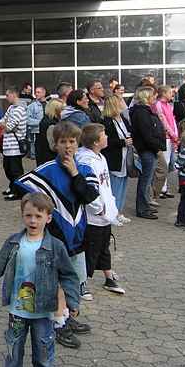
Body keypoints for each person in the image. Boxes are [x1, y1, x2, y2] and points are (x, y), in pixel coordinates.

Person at [0, 193, 80, 367]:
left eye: (38, 216)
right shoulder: (14, 242)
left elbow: (68, 275)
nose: (33, 221)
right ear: (22, 215)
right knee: (13, 352)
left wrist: (72, 301)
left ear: (48, 218)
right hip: (17, 310)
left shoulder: (55, 246)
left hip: (44, 311)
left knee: (43, 353)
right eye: (28, 215)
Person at [15, 121, 99, 348]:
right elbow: (21, 188)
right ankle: (58, 323)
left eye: (72, 142)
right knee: (56, 283)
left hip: (78, 235)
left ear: (78, 143)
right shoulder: (46, 171)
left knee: (75, 279)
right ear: (55, 145)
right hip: (55, 237)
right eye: (63, 142)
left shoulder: (84, 169)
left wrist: (73, 173)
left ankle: (68, 316)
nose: (68, 147)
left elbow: (89, 195)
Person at [76, 124, 126, 295]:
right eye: (104, 134)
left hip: (104, 214)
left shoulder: (100, 157)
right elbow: (88, 189)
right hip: (93, 216)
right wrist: (98, 208)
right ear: (96, 141)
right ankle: (81, 283)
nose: (107, 137)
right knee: (90, 250)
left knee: (104, 246)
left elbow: (106, 186)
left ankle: (108, 277)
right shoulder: (86, 161)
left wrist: (110, 207)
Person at [129, 86, 166, 220]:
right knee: (145, 180)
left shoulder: (144, 111)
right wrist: (157, 147)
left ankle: (145, 205)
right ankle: (142, 208)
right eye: (153, 95)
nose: (155, 97)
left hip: (149, 149)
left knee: (147, 179)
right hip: (147, 150)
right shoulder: (142, 112)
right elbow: (146, 134)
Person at [101, 95, 133, 225]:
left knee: (123, 186)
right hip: (115, 158)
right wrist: (122, 142)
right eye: (120, 102)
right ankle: (111, 214)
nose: (122, 104)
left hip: (125, 157)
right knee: (114, 188)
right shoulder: (107, 122)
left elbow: (130, 131)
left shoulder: (123, 119)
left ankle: (119, 211)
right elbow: (106, 142)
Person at [0, 88, 27, 201]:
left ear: (14, 94)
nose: (6, 97)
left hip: (15, 147)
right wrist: (5, 124)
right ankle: (12, 187)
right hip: (7, 146)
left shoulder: (20, 109)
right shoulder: (11, 108)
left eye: (7, 95)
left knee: (16, 171)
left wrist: (6, 125)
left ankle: (18, 192)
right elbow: (2, 121)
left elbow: (9, 126)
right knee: (8, 169)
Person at [152, 86, 178, 200]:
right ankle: (160, 188)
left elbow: (172, 121)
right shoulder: (158, 104)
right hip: (165, 137)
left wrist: (175, 134)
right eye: (170, 92)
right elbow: (163, 121)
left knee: (168, 163)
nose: (171, 95)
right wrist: (172, 134)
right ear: (163, 93)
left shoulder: (168, 105)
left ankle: (164, 187)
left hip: (171, 137)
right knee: (164, 163)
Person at [35, 99, 63, 166]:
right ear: (56, 110)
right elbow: (53, 146)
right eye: (62, 109)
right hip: (50, 159)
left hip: (43, 158)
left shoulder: (45, 120)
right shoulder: (52, 125)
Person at [26, 86, 47, 160]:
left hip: (47, 131)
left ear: (44, 93)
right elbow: (27, 120)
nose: (36, 94)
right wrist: (41, 122)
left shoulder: (49, 105)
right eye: (35, 92)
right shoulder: (31, 106)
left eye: (38, 92)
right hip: (36, 132)